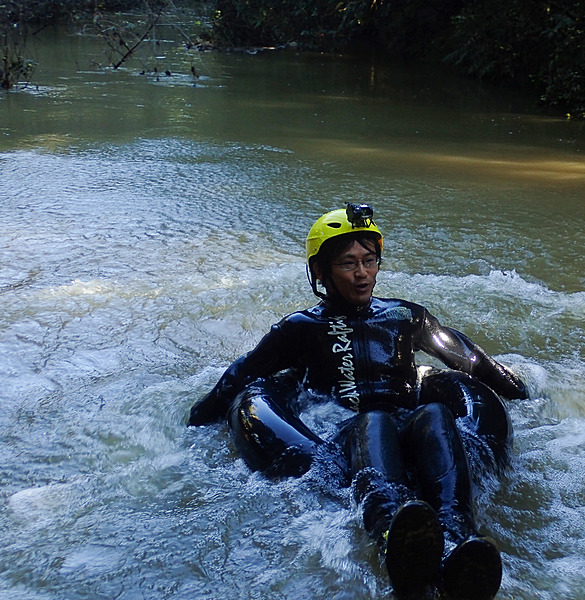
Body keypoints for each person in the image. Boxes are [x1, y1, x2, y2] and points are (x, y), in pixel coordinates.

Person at [188, 204, 527, 600]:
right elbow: (241, 375)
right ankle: (390, 532)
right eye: (348, 263)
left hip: (410, 428)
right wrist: (199, 417)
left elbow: (466, 358)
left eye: (369, 260)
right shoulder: (300, 329)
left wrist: (516, 388)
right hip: (344, 438)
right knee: (374, 423)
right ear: (321, 271)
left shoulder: (405, 315)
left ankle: (456, 535)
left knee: (434, 413)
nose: (362, 273)